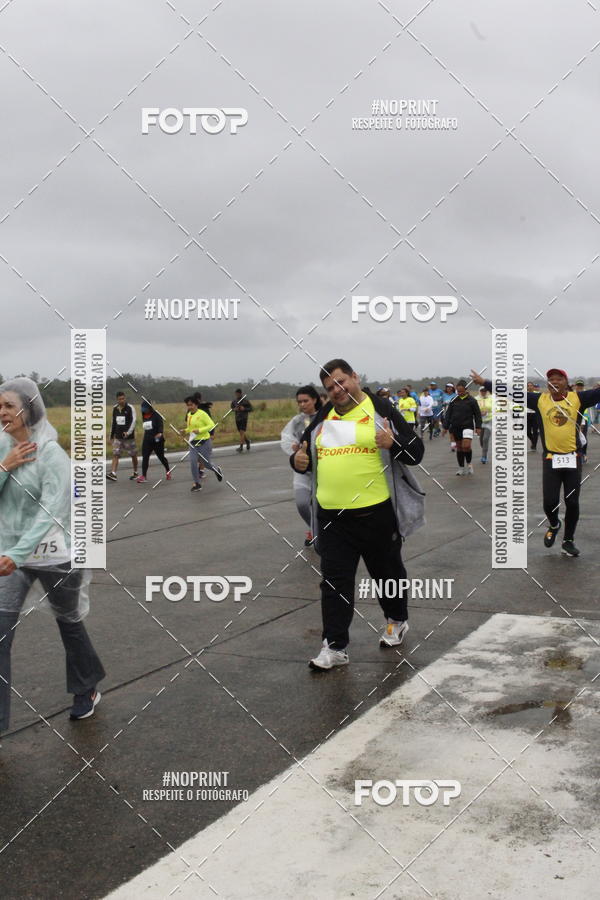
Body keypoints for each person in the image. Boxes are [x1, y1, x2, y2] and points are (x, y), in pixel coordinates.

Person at [291, 359, 425, 671]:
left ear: (355, 377)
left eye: (341, 382)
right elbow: (305, 455)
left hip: (376, 514)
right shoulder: (326, 415)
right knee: (334, 582)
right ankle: (335, 647)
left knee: (386, 574)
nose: (337, 390)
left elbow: (415, 452)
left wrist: (393, 444)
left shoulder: (381, 410)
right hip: (332, 517)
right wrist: (297, 461)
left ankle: (396, 620)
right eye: (329, 388)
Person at [0, 378, 105, 733]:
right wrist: (5, 466)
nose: (1, 413)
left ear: (28, 410)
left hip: (54, 554)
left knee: (69, 623)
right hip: (11, 559)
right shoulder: (1, 448)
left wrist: (16, 552)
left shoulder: (52, 455)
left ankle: (85, 687)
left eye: (8, 406)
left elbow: (51, 512)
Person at [472, 367, 600, 556]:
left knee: (572, 502)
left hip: (573, 459)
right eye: (551, 379)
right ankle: (555, 524)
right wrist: (485, 383)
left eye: (559, 379)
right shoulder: (540, 400)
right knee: (549, 502)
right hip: (551, 460)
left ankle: (568, 540)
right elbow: (511, 392)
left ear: (566, 383)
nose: (554, 382)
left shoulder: (577, 399)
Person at [280, 386, 322, 546]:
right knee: (302, 503)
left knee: (322, 506)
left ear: (315, 399)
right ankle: (314, 529)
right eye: (300, 402)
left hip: (323, 470)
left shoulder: (324, 418)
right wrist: (294, 449)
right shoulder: (296, 421)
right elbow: (286, 438)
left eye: (306, 401)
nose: (303, 404)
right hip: (303, 470)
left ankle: (321, 533)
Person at [183, 396, 223, 492]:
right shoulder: (189, 415)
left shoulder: (202, 414)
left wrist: (200, 430)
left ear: (196, 404)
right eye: (188, 405)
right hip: (193, 443)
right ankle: (197, 484)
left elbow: (211, 425)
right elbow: (190, 428)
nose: (189, 407)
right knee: (193, 462)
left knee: (206, 463)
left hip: (204, 442)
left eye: (191, 405)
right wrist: (184, 431)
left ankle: (217, 470)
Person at [442, 380, 482, 475]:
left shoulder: (472, 400)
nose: (459, 393)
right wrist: (445, 427)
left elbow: (477, 415)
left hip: (467, 426)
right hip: (456, 427)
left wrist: (478, 426)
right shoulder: (453, 400)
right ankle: (461, 468)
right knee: (459, 448)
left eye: (461, 391)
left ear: (466, 389)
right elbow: (448, 415)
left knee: (466, 446)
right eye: (458, 391)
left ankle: (469, 464)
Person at [136, 399, 171, 483]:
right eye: (142, 408)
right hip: (147, 440)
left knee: (161, 457)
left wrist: (160, 433)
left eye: (145, 408)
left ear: (149, 407)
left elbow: (160, 425)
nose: (143, 409)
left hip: (157, 440)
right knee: (145, 457)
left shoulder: (156, 415)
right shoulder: (143, 415)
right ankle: (144, 476)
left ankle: (168, 471)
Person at [107, 391, 138, 481]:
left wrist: (128, 432)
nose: (122, 400)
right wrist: (112, 435)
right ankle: (113, 473)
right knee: (115, 454)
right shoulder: (115, 408)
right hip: (118, 437)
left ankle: (135, 472)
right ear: (117, 399)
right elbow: (114, 422)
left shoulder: (130, 408)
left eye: (123, 398)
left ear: (125, 398)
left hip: (129, 438)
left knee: (133, 455)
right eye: (120, 399)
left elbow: (133, 421)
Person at [574, 380, 591, 463]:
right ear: (575, 386)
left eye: (581, 386)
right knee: (574, 439)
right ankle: (576, 455)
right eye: (578, 385)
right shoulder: (571, 395)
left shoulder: (586, 396)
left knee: (583, 438)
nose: (579, 387)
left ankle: (583, 454)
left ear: (583, 387)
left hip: (584, 419)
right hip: (573, 420)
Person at [477, 386, 493, 463]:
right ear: (479, 391)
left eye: (485, 391)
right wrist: (479, 412)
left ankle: (484, 456)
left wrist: (488, 411)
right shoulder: (476, 399)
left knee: (485, 439)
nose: (483, 392)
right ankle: (485, 449)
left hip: (489, 420)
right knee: (481, 440)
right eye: (482, 391)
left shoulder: (491, 398)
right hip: (480, 421)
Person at [441, 383, 457, 451]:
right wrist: (443, 404)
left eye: (450, 387)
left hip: (455, 415)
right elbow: (441, 404)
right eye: (447, 387)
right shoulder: (444, 395)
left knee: (454, 430)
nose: (449, 388)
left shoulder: (455, 395)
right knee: (450, 430)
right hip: (446, 415)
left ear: (453, 388)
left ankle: (455, 442)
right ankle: (453, 444)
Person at [526, 381, 539, 451]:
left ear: (533, 387)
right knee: (527, 431)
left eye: (531, 385)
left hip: (535, 415)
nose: (529, 387)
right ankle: (533, 441)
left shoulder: (536, 394)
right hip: (527, 415)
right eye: (528, 385)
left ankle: (534, 445)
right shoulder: (524, 394)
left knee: (535, 431)